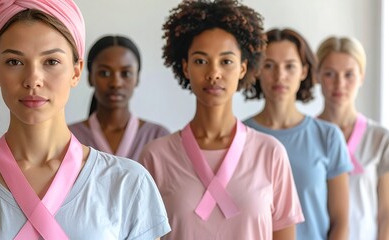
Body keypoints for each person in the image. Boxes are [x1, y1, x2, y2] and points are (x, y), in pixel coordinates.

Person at [0, 0, 170, 239]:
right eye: (15, 62)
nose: (33, 79)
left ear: (76, 72)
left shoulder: (129, 182)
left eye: (51, 61)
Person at [139, 1, 304, 239]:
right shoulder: (155, 157)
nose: (214, 73)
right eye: (200, 61)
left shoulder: (270, 153)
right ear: (185, 67)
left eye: (226, 61)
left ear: (243, 68)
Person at [243, 28, 353, 240]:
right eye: (269, 65)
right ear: (256, 70)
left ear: (303, 71)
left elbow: (341, 222)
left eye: (289, 66)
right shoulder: (239, 137)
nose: (279, 76)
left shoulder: (328, 136)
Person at [316, 36, 389, 240]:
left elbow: (386, 214)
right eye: (330, 74)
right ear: (317, 75)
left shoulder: (380, 139)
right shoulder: (306, 136)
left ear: (361, 77)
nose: (340, 84)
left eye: (349, 74)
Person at [69, 35, 169, 161]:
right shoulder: (69, 137)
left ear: (137, 78)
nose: (116, 83)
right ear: (90, 78)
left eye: (126, 73)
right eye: (104, 73)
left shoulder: (157, 136)